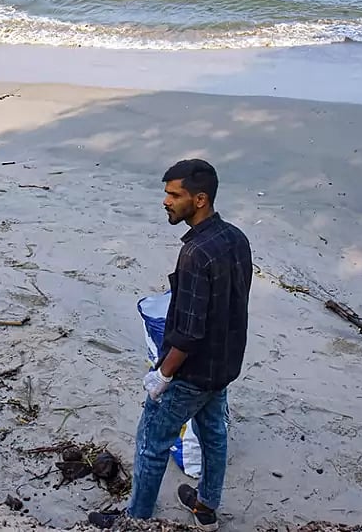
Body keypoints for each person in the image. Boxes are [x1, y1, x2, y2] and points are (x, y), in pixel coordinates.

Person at [89, 159, 252, 531]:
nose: (166, 201)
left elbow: (190, 332)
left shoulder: (195, 254)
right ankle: (206, 506)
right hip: (224, 365)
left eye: (174, 194)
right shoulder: (236, 239)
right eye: (166, 193)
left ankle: (137, 519)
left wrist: (162, 375)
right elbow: (233, 303)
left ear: (200, 199)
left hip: (191, 372)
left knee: (151, 441)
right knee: (213, 436)